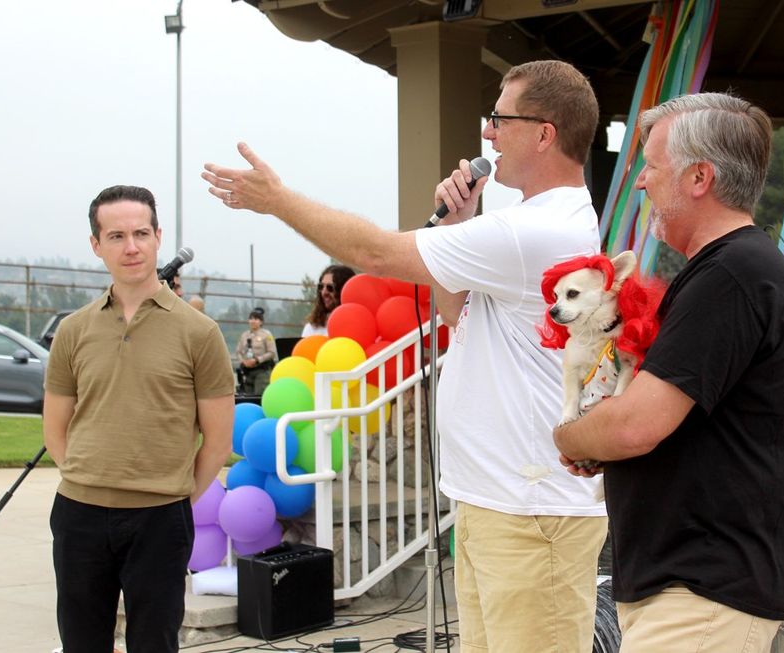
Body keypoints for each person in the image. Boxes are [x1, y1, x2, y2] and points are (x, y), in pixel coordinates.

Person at [204, 60, 606, 652]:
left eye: (499, 117)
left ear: (545, 132)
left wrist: (278, 200)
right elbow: (458, 315)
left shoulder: (534, 231)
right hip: (499, 503)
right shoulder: (528, 226)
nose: (488, 134)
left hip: (531, 513)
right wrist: (463, 223)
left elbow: (375, 252)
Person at [553, 93, 784, 652]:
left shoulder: (731, 275)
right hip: (694, 587)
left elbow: (633, 427)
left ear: (700, 177)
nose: (641, 182)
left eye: (651, 165)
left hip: (702, 589)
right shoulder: (729, 271)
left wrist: (568, 435)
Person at [42, 185, 235, 653]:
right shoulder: (73, 330)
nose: (131, 246)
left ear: (157, 237)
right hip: (79, 515)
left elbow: (217, 439)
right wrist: (90, 479)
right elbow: (54, 429)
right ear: (96, 244)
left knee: (154, 644)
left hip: (160, 519)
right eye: (116, 236)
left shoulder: (199, 332)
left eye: (141, 233)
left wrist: (175, 494)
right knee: (82, 643)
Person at [302, 263, 355, 336]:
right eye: (321, 287)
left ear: (344, 289)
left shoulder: (357, 324)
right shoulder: (312, 327)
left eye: (330, 288)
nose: (324, 292)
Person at [236, 306, 277, 395]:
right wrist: (243, 362)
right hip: (248, 372)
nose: (253, 321)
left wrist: (257, 360)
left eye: (256, 319)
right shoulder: (244, 335)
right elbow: (238, 351)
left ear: (261, 322)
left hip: (262, 371)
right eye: (251, 318)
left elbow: (272, 353)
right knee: (248, 397)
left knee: (260, 395)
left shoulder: (267, 335)